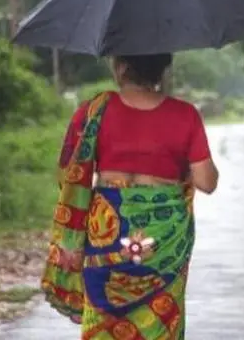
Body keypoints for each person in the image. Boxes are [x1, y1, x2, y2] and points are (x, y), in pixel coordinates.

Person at [41, 54, 219, 340]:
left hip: (106, 235)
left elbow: (67, 174)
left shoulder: (94, 111)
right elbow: (207, 182)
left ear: (121, 66)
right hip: (163, 242)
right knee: (160, 323)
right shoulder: (184, 115)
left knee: (103, 321)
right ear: (164, 68)